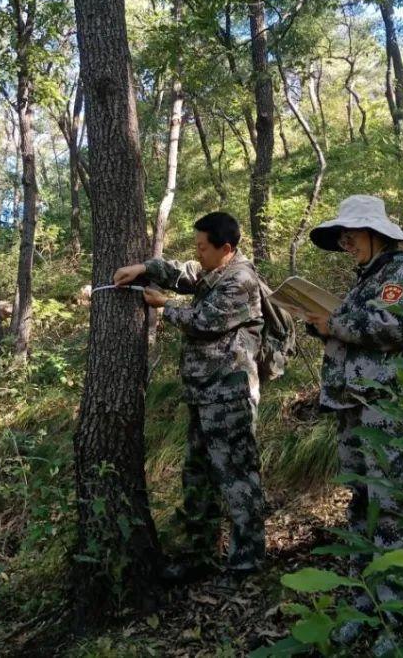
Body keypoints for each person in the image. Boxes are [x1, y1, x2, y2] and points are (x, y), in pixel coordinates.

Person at [304, 194, 403, 648]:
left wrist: (334, 324)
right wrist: (326, 325)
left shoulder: (399, 272)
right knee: (363, 503)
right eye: (342, 237)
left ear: (376, 234)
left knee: (395, 508)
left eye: (352, 235)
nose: (346, 244)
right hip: (355, 407)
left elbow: (398, 327)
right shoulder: (368, 279)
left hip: (387, 411)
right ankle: (369, 601)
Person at [113, 211, 266, 581]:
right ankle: (202, 555)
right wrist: (143, 268)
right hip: (204, 395)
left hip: (229, 396)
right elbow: (183, 272)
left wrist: (164, 307)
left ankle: (247, 562)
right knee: (197, 476)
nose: (197, 253)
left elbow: (205, 322)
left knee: (236, 476)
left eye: (202, 247)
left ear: (225, 249)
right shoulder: (213, 272)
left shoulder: (240, 279)